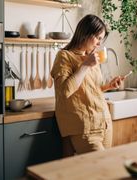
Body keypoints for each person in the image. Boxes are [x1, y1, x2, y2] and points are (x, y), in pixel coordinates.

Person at [51, 14, 123, 156]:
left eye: (101, 39)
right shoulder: (64, 56)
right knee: (103, 167)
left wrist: (109, 86)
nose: (99, 44)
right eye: (98, 38)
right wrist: (85, 65)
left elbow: (91, 88)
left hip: (104, 123)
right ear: (85, 34)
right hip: (84, 127)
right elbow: (64, 91)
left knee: (102, 173)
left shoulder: (91, 57)